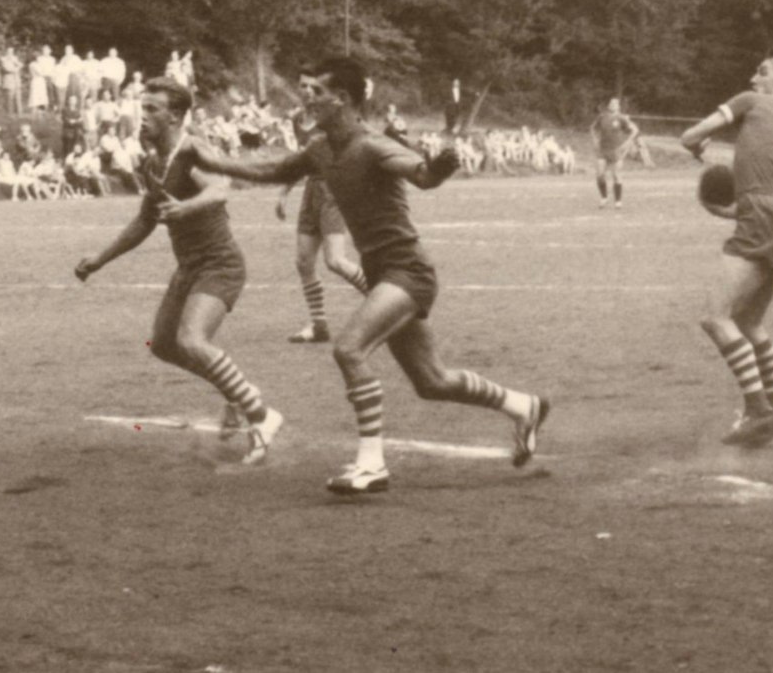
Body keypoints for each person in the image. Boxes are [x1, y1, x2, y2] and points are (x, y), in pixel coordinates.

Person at [206, 58, 549, 495]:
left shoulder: (372, 145)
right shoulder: (320, 148)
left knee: (349, 349)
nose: (306, 98)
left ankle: (371, 465)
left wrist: (439, 168)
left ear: (342, 99)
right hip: (382, 271)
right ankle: (524, 406)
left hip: (408, 271)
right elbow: (273, 171)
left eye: (315, 91)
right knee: (432, 381)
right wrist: (214, 162)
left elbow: (422, 175)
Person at [73, 79, 284, 468]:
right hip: (190, 267)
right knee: (165, 346)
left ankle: (261, 416)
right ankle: (239, 393)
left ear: (174, 116)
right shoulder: (155, 163)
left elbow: (219, 189)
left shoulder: (192, 149)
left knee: (192, 339)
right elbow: (145, 221)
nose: (143, 116)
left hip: (220, 264)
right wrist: (100, 259)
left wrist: (187, 208)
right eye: (143, 107)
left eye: (152, 109)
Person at [678, 47, 773, 447]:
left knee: (716, 317)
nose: (754, 78)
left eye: (762, 71)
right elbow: (770, 193)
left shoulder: (752, 101)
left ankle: (758, 410)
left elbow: (689, 135)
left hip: (763, 219)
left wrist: (696, 148)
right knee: (749, 321)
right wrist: (725, 209)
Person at [276, 114, 369, 345]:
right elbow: (302, 161)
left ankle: (385, 303)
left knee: (335, 260)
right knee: (304, 261)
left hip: (333, 191)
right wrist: (284, 193)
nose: (309, 94)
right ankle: (319, 326)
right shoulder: (300, 119)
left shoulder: (339, 116)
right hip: (312, 190)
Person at [592, 97, 641, 209]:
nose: (613, 105)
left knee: (616, 175)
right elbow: (593, 128)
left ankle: (618, 201)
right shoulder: (602, 117)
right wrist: (595, 140)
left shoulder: (622, 118)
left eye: (615, 104)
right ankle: (604, 198)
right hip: (602, 149)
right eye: (611, 103)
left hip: (616, 150)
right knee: (600, 175)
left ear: (618, 107)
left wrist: (627, 142)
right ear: (608, 105)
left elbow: (634, 130)